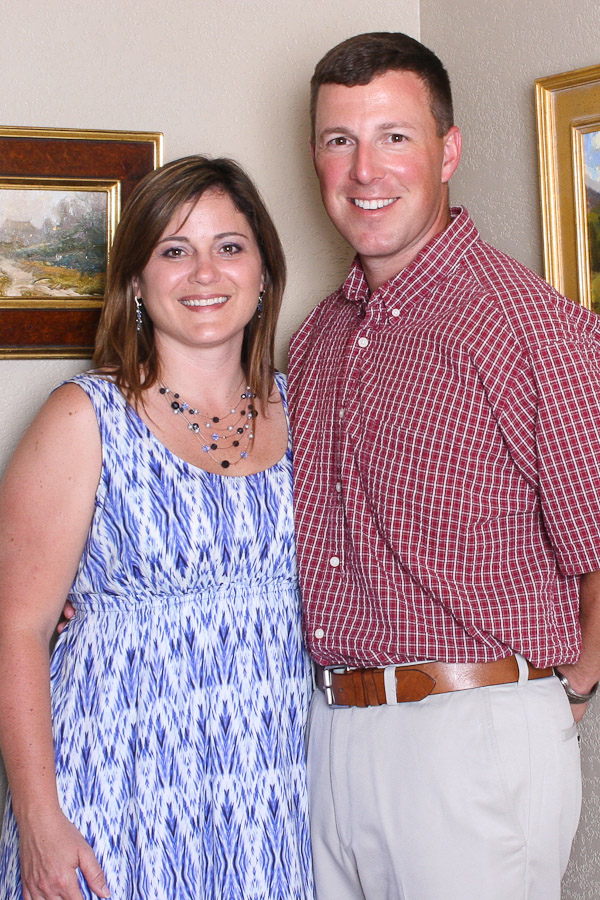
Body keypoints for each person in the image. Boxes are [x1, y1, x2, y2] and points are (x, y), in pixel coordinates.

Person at [288, 31, 600, 900]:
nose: (364, 171)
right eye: (339, 140)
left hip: (469, 738)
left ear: (448, 151)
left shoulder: (531, 329)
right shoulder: (317, 339)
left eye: (394, 136)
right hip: (328, 735)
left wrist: (565, 692)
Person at [0, 155, 314, 900]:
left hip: (274, 789)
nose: (205, 273)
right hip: (116, 782)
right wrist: (39, 820)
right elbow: (15, 628)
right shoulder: (84, 417)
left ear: (264, 271)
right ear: (137, 282)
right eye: (175, 250)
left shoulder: (309, 408)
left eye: (229, 247)